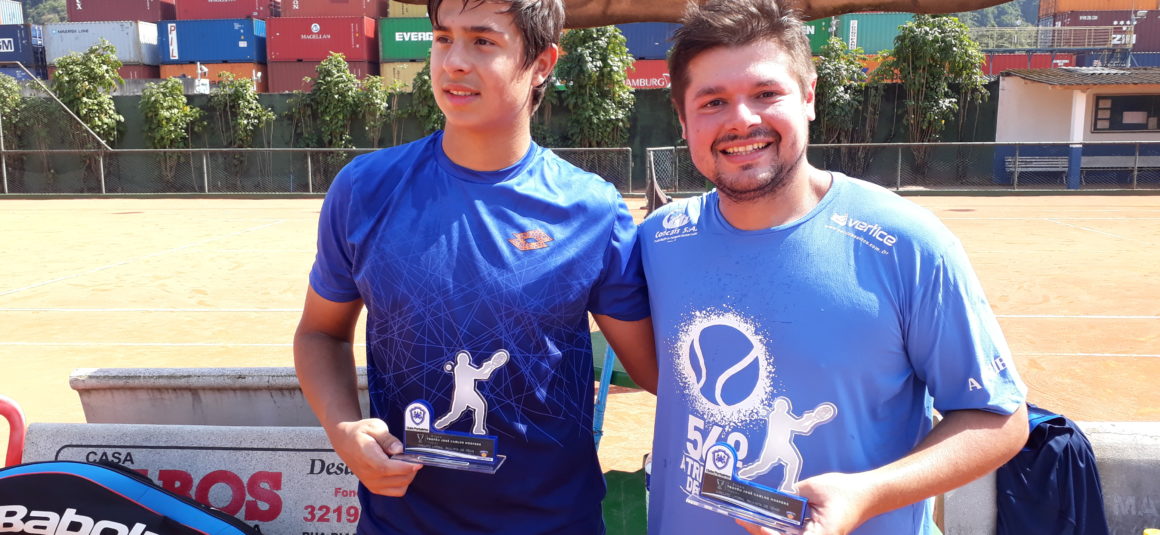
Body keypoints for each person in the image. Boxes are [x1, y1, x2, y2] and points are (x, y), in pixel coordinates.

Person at [639, 0, 1029, 534]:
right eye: (713, 101)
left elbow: (999, 417)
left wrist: (868, 494)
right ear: (683, 120)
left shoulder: (905, 243)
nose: (742, 119)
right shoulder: (659, 241)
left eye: (766, 93)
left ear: (809, 97)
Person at [293, 0, 656, 532]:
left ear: (542, 63)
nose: (453, 61)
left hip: (554, 524)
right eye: (443, 38)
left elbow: (656, 372)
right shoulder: (364, 189)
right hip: (401, 522)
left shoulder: (592, 210)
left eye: (483, 41)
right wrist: (343, 426)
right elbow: (320, 334)